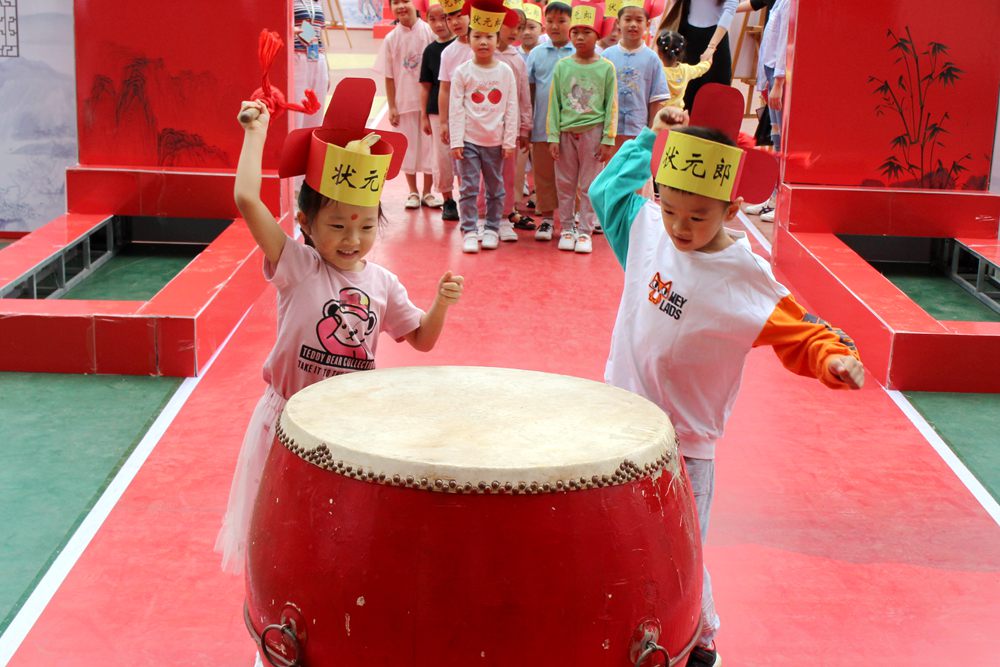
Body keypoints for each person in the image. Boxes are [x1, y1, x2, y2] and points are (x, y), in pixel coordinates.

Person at [589, 85, 865, 667]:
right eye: (669, 209)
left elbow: (804, 330)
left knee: (679, 555)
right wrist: (646, 139)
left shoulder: (745, 279)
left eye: (697, 216)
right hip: (617, 425)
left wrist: (833, 358)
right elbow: (607, 192)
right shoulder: (647, 233)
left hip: (684, 449)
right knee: (618, 542)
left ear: (732, 210)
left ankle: (702, 643)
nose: (679, 227)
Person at [217, 81, 464, 579]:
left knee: (331, 540)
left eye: (366, 225)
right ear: (306, 222)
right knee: (278, 539)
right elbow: (246, 197)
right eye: (337, 226)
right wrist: (255, 133)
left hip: (346, 426)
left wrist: (440, 304)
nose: (353, 239)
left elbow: (421, 339)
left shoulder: (383, 282)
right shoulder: (296, 265)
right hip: (287, 422)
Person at [547, 0, 618, 254]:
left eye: (586, 32)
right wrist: (553, 136)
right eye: (575, 32)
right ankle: (567, 227)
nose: (579, 37)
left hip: (594, 133)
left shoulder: (606, 67)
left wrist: (608, 139)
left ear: (597, 35)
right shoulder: (563, 66)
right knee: (565, 183)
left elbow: (611, 105)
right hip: (566, 133)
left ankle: (585, 231)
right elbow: (554, 104)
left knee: (590, 185)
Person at [449, 0, 519, 253]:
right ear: (468, 39)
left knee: (495, 188)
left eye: (489, 36)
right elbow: (455, 108)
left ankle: (491, 227)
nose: (483, 42)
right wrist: (456, 140)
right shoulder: (462, 72)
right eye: (477, 36)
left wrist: (509, 140)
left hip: (496, 142)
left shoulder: (505, 71)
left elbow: (511, 107)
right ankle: (469, 229)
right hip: (468, 141)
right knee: (468, 187)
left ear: (497, 38)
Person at [375, 0, 438, 209]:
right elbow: (389, 76)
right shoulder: (391, 38)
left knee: (430, 148)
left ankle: (428, 192)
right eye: (396, 2)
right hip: (404, 101)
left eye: (405, 1)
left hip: (428, 103)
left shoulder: (429, 32)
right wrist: (392, 106)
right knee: (408, 149)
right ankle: (412, 191)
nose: (401, 6)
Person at [526, 0, 574, 242]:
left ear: (572, 24)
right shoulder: (535, 54)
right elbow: (530, 92)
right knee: (544, 175)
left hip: (572, 128)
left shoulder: (579, 53)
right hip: (542, 127)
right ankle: (546, 219)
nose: (555, 26)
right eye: (551, 21)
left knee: (570, 176)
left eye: (562, 21)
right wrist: (527, 124)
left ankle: (570, 219)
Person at [602, 1, 670, 153]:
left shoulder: (652, 59)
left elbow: (656, 100)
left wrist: (652, 132)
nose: (633, 24)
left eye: (639, 20)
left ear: (647, 23)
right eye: (628, 19)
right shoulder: (606, 56)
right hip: (609, 131)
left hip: (638, 130)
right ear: (618, 22)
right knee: (610, 171)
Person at [495, 5, 535, 237]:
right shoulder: (482, 55)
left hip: (511, 130)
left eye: (519, 28)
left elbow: (523, 97)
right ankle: (483, 216)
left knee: (510, 175)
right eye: (509, 25)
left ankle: (505, 215)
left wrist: (525, 127)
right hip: (485, 130)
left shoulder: (517, 60)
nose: (514, 31)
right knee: (485, 175)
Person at [418, 0, 460, 220]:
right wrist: (423, 115)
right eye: (432, 19)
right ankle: (448, 200)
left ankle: (470, 198)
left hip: (464, 111)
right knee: (442, 157)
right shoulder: (430, 51)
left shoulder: (465, 45)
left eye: (443, 17)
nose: (439, 24)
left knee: (466, 156)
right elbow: (425, 86)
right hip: (437, 112)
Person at [749, 0, 789, 223]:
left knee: (781, 141)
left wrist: (779, 82)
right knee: (776, 140)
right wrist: (764, 80)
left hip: (778, 75)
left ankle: (782, 201)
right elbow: (768, 41)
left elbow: (784, 42)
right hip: (771, 72)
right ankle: (774, 197)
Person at [659, 0, 738, 109]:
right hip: (687, 34)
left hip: (716, 37)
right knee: (684, 95)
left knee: (716, 97)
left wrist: (711, 46)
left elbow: (730, 9)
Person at [292, 0, 331, 130]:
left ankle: (310, 147)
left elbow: (320, 36)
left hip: (318, 59)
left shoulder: (317, 2)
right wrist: (296, 30)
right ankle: (293, 147)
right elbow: (279, 25)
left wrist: (328, 68)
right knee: (297, 112)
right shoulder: (289, 2)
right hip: (298, 58)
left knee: (316, 113)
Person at [656, 30, 711, 110]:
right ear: (680, 52)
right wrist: (708, 62)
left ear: (659, 53)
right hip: (679, 113)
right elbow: (700, 69)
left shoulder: (659, 73)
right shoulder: (686, 69)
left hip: (662, 113)